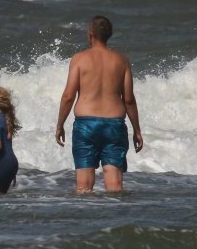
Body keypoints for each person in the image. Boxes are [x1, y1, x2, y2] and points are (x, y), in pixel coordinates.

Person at [55, 15, 143, 193]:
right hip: (114, 126)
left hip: (86, 126)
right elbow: (128, 99)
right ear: (109, 35)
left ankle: (88, 218)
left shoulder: (79, 59)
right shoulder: (121, 61)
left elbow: (68, 96)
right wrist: (137, 130)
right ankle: (117, 219)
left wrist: (60, 125)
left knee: (83, 188)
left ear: (90, 35)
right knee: (115, 186)